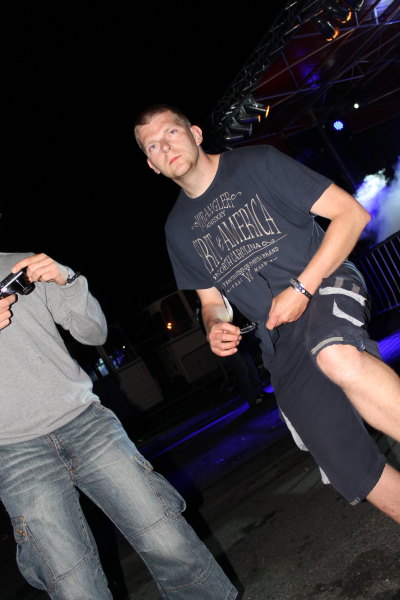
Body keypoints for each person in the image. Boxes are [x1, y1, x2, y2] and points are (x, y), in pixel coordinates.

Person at [134, 104, 400, 524]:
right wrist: (214, 326)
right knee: (346, 465)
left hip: (326, 282)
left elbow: (352, 213)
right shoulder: (177, 229)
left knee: (335, 352)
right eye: (153, 146)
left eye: (171, 132)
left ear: (195, 133)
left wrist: (301, 288)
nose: (165, 147)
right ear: (152, 166)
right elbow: (210, 301)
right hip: (278, 337)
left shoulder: (257, 163)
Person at [0, 251, 238, 600]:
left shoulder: (20, 264)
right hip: (13, 451)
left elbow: (94, 333)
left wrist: (67, 280)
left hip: (86, 423)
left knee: (169, 540)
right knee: (74, 586)